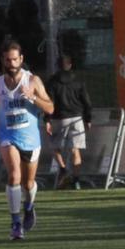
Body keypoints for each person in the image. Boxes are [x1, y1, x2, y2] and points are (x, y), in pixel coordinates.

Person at [0, 41, 53, 241]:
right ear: (2, 61)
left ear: (21, 59)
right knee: (14, 176)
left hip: (30, 138)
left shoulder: (33, 81)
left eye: (15, 59)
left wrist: (33, 98)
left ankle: (29, 207)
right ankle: (15, 223)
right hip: (7, 136)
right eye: (7, 60)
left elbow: (50, 108)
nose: (12, 63)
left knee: (28, 183)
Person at [45, 52, 94, 189]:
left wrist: (47, 119)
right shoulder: (78, 81)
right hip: (77, 118)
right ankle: (76, 179)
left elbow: (50, 102)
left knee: (54, 146)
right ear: (70, 65)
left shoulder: (52, 81)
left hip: (59, 118)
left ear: (57, 66)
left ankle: (63, 168)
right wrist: (88, 118)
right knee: (75, 149)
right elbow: (86, 102)